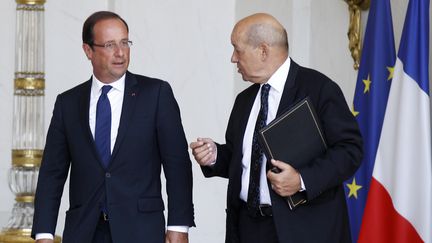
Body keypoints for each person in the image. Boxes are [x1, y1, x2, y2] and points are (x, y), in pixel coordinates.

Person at [190, 13, 362, 243]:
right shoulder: (244, 100)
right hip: (246, 228)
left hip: (302, 230)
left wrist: (302, 180)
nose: (233, 58)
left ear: (263, 50)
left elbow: (350, 150)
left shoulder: (319, 89)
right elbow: (242, 160)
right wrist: (214, 155)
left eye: (237, 49)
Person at [31, 11, 195, 243]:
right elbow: (52, 173)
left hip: (141, 230)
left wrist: (179, 226)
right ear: (88, 51)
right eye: (109, 45)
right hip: (84, 231)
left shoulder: (156, 94)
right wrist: (44, 233)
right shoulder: (68, 103)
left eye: (125, 42)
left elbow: (177, 165)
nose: (120, 53)